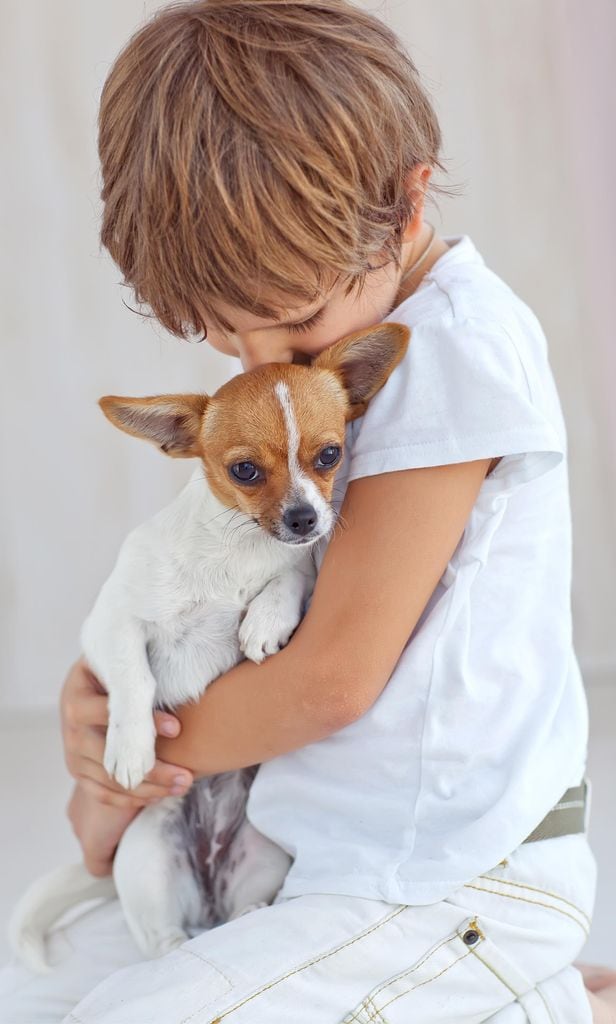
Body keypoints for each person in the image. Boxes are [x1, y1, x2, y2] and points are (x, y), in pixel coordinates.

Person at [1, 1, 614, 1021]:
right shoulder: (333, 357)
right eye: (227, 336)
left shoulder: (452, 350)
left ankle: (545, 1000)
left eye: (294, 325)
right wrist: (118, 713)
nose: (268, 368)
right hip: (308, 858)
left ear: (407, 206)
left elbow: (329, 681)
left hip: (438, 882)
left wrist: (146, 745)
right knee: (33, 988)